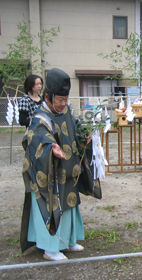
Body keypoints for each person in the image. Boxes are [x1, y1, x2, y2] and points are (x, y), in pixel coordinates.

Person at [20, 68, 101, 261]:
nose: (64, 104)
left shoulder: (65, 111)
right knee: (51, 206)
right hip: (48, 175)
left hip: (67, 170)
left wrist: (84, 136)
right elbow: (35, 138)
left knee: (70, 205)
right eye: (60, 100)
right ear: (47, 97)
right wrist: (50, 148)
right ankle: (50, 248)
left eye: (66, 99)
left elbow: (74, 127)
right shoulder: (39, 117)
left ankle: (68, 241)